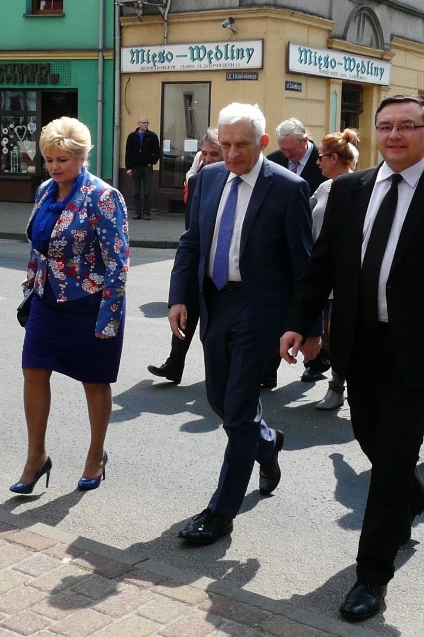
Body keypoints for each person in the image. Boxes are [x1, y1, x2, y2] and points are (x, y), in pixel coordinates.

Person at [280, 95, 424, 621]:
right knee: (371, 438)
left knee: (394, 453)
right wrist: (302, 324)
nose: (395, 135)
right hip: (360, 342)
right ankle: (411, 497)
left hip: (420, 349)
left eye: (406, 127)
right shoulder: (349, 190)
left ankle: (371, 575)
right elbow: (322, 265)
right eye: (385, 126)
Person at [168, 103, 313, 544]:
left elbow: (304, 263)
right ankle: (267, 443)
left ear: (263, 143)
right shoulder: (208, 179)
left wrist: (306, 326)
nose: (231, 154)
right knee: (222, 402)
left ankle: (220, 512)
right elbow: (192, 242)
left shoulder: (289, 189)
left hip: (259, 309)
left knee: (237, 410)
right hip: (215, 303)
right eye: (224, 145)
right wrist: (179, 296)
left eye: (241, 145)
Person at [11, 117, 129, 495]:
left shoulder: (103, 197)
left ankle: (96, 455)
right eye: (49, 159)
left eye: (62, 159)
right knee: (33, 371)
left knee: (94, 382)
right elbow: (38, 246)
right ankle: (36, 457)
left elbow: (117, 261)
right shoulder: (46, 191)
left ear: (81, 158)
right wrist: (31, 285)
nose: (54, 167)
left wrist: (108, 317)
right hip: (48, 300)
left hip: (90, 303)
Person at [148, 130, 222, 384]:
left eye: (216, 153)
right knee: (184, 310)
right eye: (205, 153)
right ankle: (174, 364)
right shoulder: (198, 179)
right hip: (199, 258)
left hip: (224, 267)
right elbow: (191, 228)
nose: (210, 159)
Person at [263, 118, 327, 387]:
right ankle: (268, 370)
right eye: (284, 150)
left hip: (314, 239)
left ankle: (315, 360)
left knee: (307, 297)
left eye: (292, 150)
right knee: (278, 308)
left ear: (305, 141)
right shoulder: (275, 159)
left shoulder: (322, 161)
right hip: (281, 242)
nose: (287, 155)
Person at [308, 128, 360, 410]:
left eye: (321, 157)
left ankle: (339, 385)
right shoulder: (324, 187)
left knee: (344, 333)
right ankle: (332, 375)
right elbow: (308, 217)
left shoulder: (363, 186)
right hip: (321, 271)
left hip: (348, 275)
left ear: (336, 158)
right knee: (325, 333)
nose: (318, 162)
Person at [124, 117, 160, 220]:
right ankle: (137, 212)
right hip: (135, 167)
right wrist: (129, 167)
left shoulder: (152, 136)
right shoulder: (132, 136)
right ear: (139, 124)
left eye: (147, 122)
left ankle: (146, 213)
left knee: (147, 191)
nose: (146, 124)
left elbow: (157, 151)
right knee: (136, 191)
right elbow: (128, 152)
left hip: (147, 167)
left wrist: (151, 162)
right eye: (144, 122)